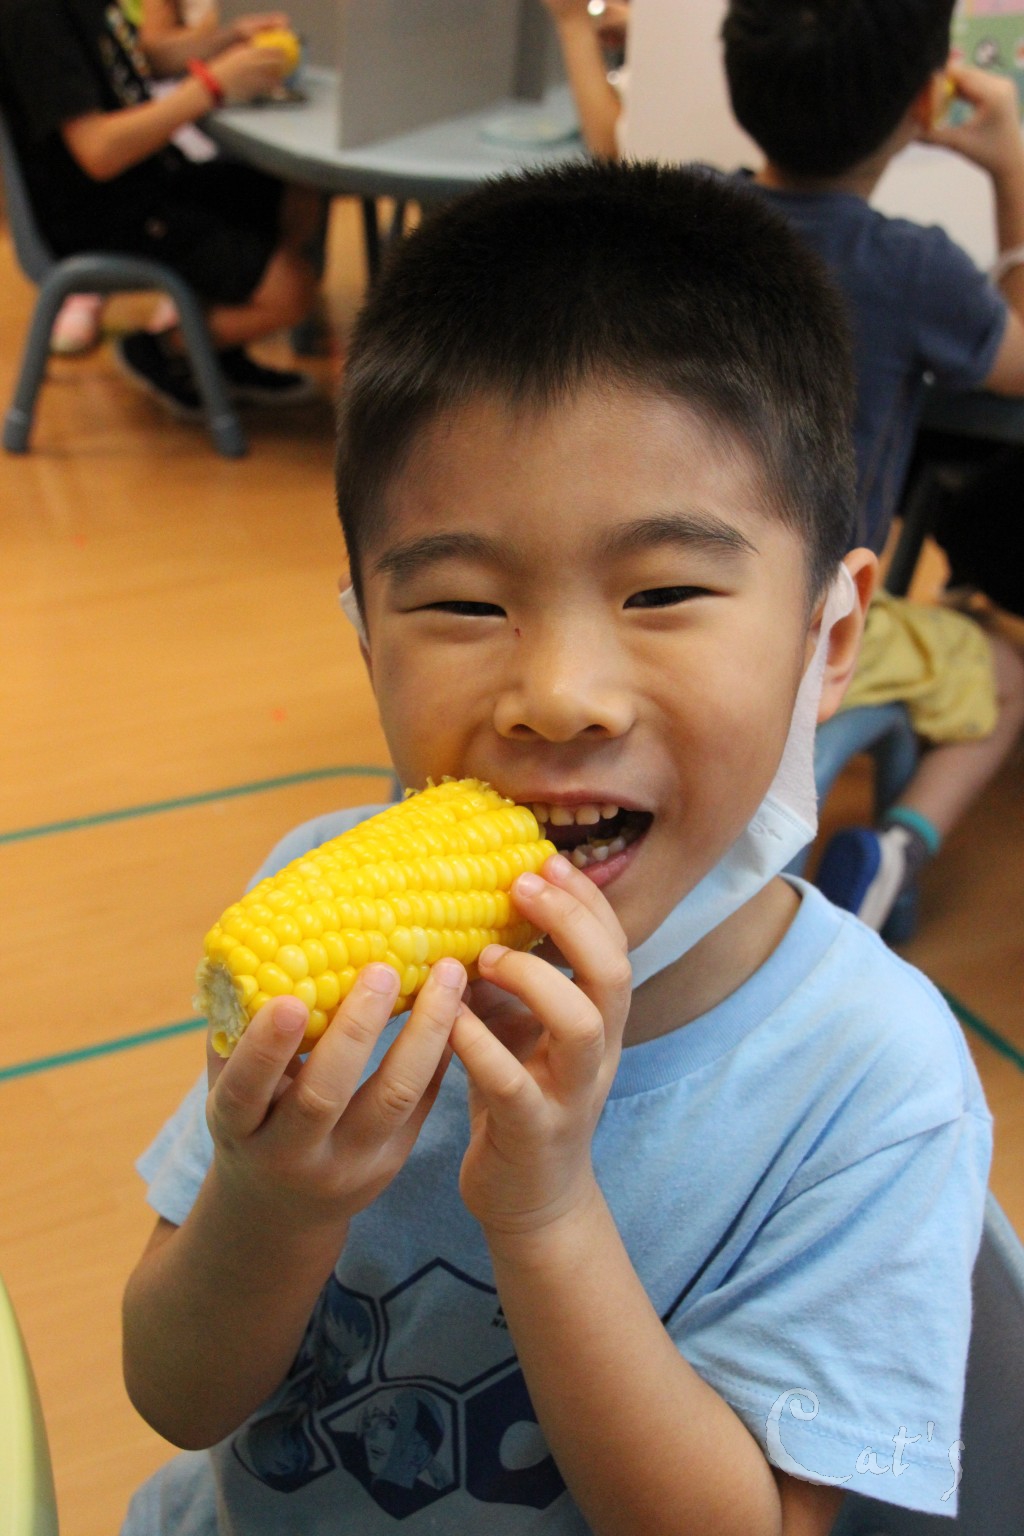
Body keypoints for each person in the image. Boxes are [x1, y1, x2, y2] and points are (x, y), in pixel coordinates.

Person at [120, 162, 991, 1535]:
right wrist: (269, 1205)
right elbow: (176, 1395)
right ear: (364, 638)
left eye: (664, 590)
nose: (561, 695)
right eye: (464, 605)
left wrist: (546, 1217)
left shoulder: (869, 1087)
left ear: (830, 638)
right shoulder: (308, 888)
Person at [718, 0, 1024, 930]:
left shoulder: (681, 213)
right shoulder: (914, 269)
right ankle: (898, 847)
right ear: (926, 104)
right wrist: (1010, 167)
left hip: (674, 597)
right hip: (811, 633)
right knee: (1008, 671)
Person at [0, 0, 320, 416]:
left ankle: (215, 354)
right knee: (293, 291)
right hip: (102, 215)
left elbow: (136, 58)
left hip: (146, 181)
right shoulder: (31, 14)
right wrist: (211, 87)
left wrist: (226, 40)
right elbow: (98, 152)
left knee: (293, 191)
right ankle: (163, 350)